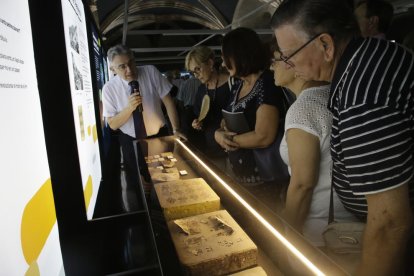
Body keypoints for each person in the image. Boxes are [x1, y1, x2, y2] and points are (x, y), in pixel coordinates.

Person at [271, 0, 414, 274]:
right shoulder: (368, 60)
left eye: (289, 55)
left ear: (325, 45)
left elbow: (390, 222)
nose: (287, 64)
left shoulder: (363, 95)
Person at [270, 48, 356, 246]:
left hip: (320, 231)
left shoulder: (304, 109)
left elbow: (303, 185)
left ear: (294, 65)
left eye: (275, 60)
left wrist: (289, 232)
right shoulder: (333, 94)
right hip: (347, 224)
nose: (271, 66)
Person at [102, 44, 181, 194]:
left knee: (167, 180)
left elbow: (168, 101)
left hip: (159, 135)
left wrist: (176, 129)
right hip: (130, 140)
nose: (129, 70)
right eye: (122, 67)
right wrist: (129, 108)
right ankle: (145, 213)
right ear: (112, 69)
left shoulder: (150, 71)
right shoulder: (109, 89)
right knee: (138, 185)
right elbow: (112, 125)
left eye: (131, 62)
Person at [215, 27, 289, 185]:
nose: (222, 63)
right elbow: (228, 118)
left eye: (225, 57)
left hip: (264, 178)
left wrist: (227, 140)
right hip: (240, 173)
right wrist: (219, 132)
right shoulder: (237, 85)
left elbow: (264, 136)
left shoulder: (267, 83)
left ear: (239, 54)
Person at [185, 46, 232, 156]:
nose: (196, 75)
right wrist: (197, 123)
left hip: (230, 147)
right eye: (193, 72)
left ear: (210, 63)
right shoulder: (201, 89)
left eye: (198, 69)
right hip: (211, 148)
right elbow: (199, 116)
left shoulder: (231, 83)